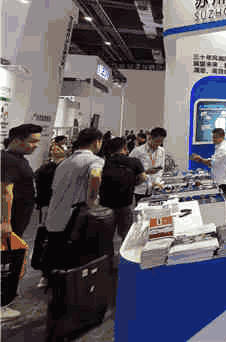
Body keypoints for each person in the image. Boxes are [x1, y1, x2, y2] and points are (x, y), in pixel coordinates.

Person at [44, 129, 104, 277]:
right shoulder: (95, 160)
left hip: (55, 215)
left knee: (55, 253)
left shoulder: (64, 163)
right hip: (74, 217)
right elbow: (96, 176)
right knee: (74, 257)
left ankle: (50, 279)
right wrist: (92, 200)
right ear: (97, 142)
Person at [1, 124, 42, 321]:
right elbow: (4, 192)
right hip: (10, 222)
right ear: (17, 140)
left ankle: (5, 297)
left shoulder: (17, 159)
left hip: (17, 221)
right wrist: (5, 221)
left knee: (10, 259)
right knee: (5, 261)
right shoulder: (8, 160)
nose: (36, 145)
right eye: (32, 141)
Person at [100, 137, 146, 242]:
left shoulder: (103, 162)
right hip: (125, 203)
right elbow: (143, 177)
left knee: (106, 236)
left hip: (105, 204)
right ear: (125, 148)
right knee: (126, 235)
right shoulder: (134, 162)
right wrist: (133, 184)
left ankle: (108, 251)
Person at [190, 128, 226, 220]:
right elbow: (212, 161)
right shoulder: (219, 147)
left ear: (222, 137)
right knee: (219, 204)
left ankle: (223, 221)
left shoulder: (223, 149)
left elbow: (212, 162)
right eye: (213, 137)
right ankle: (219, 219)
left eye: (215, 137)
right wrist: (202, 160)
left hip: (222, 180)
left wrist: (200, 159)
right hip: (218, 178)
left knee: (223, 203)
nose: (213, 139)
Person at [130, 127, 166, 204]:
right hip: (140, 188)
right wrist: (145, 172)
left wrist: (157, 182)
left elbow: (161, 169)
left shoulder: (161, 151)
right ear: (150, 138)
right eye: (156, 141)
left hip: (155, 188)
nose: (158, 144)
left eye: (161, 142)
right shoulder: (138, 151)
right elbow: (129, 169)